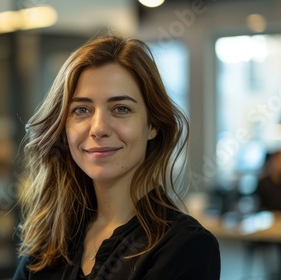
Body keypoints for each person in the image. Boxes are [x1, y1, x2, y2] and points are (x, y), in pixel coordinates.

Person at [13, 35, 220, 279]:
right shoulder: (50, 240)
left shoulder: (185, 247)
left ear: (152, 124)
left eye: (121, 109)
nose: (98, 128)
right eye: (81, 110)